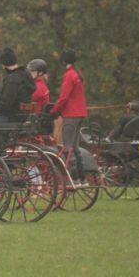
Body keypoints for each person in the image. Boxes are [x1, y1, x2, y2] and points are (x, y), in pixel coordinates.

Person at [49, 49, 88, 185]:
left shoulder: (69, 75)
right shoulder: (77, 74)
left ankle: (74, 178)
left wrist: (54, 110)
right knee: (76, 148)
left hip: (71, 115)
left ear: (63, 62)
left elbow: (63, 97)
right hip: (80, 114)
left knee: (68, 148)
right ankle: (83, 178)